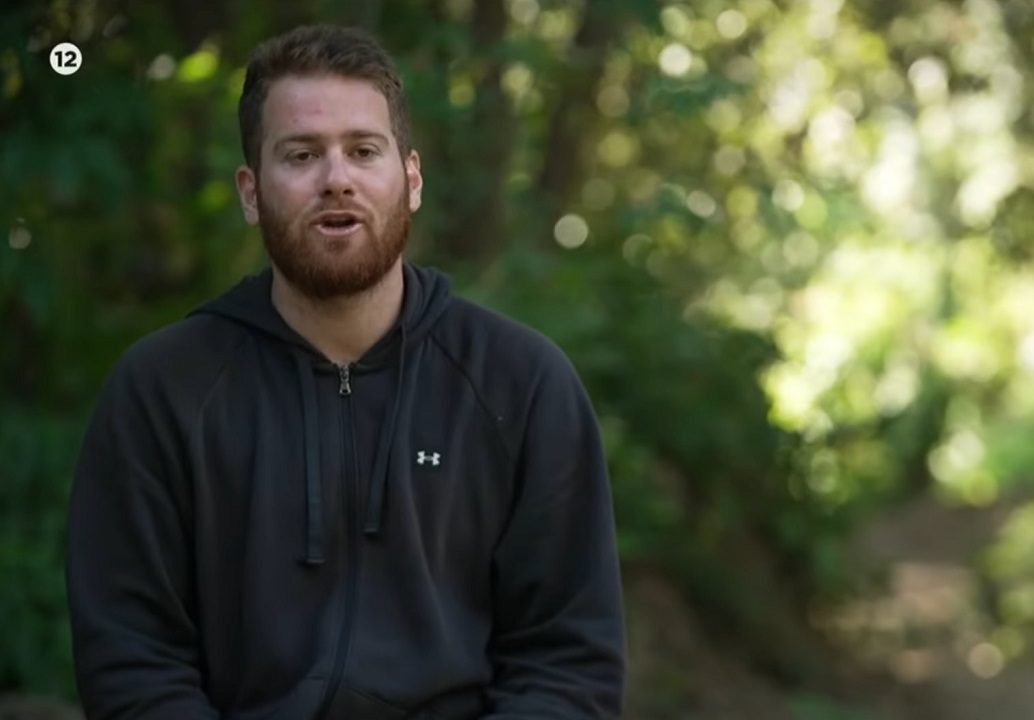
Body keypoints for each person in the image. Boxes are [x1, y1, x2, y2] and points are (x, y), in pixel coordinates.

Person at [66, 24, 625, 720]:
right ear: (250, 192)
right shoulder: (164, 389)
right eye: (301, 155)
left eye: (363, 150)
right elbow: (131, 662)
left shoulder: (521, 385)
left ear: (411, 179)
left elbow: (568, 664)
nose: (336, 179)